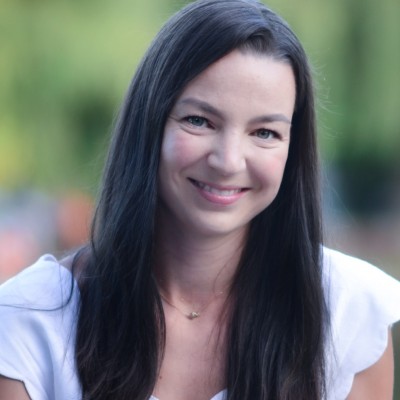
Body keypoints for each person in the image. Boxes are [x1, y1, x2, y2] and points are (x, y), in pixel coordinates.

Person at [0, 0, 399, 399]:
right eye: (199, 121)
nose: (228, 161)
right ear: (149, 124)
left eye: (264, 133)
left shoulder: (349, 317)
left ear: (292, 150)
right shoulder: (33, 320)